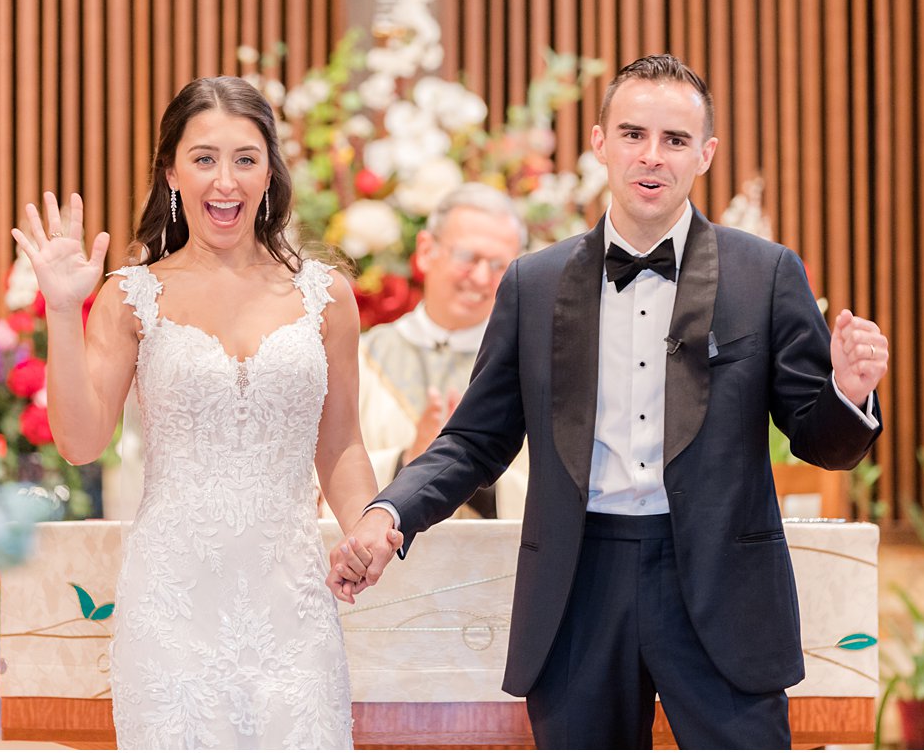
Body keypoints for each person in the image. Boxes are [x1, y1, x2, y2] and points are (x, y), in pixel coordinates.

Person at [328, 54, 889, 749]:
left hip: (718, 585)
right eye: (632, 134)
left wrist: (848, 392)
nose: (651, 156)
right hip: (579, 584)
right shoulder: (534, 283)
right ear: (599, 143)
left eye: (675, 140)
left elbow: (821, 441)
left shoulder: (765, 273)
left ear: (706, 154)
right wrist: (390, 509)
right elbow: (475, 439)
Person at [14, 76, 396, 749]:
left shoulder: (326, 294)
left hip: (293, 608)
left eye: (246, 158)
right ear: (172, 171)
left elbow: (340, 446)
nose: (226, 181)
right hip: (172, 608)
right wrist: (62, 309)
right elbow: (78, 441)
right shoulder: (130, 297)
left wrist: (366, 528)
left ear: (270, 172)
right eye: (204, 158)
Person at [355, 183, 529, 518]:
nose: (481, 278)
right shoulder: (362, 360)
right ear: (425, 250)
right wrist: (406, 464)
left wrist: (470, 471)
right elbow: (319, 482)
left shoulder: (526, 366)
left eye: (498, 265)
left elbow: (551, 490)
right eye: (468, 257)